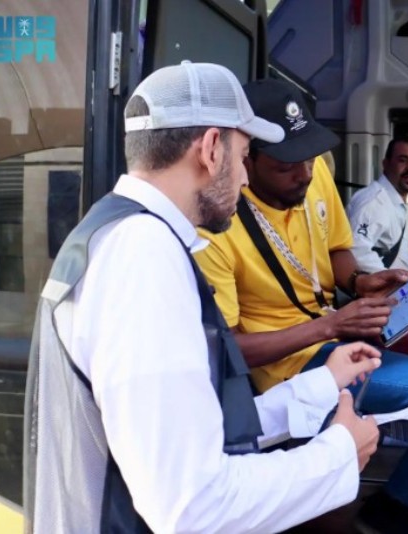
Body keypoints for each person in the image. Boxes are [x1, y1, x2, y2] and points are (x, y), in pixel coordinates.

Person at [23, 61, 382, 534]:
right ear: (212, 149)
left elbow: (195, 427)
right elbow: (191, 504)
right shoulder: (143, 255)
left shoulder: (112, 233)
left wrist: (320, 383)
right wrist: (338, 455)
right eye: (244, 155)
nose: (246, 180)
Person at [195, 78, 408, 533]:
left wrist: (360, 282)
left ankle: (392, 510)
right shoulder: (215, 226)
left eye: (309, 157)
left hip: (337, 331)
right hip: (293, 361)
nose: (305, 174)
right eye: (287, 165)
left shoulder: (313, 173)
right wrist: (330, 327)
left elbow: (337, 249)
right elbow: (228, 352)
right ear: (246, 159)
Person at [346, 135, 408, 273]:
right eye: (403, 160)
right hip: (389, 286)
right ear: (385, 164)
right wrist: (387, 280)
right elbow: (356, 249)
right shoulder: (375, 202)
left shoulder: (393, 203)